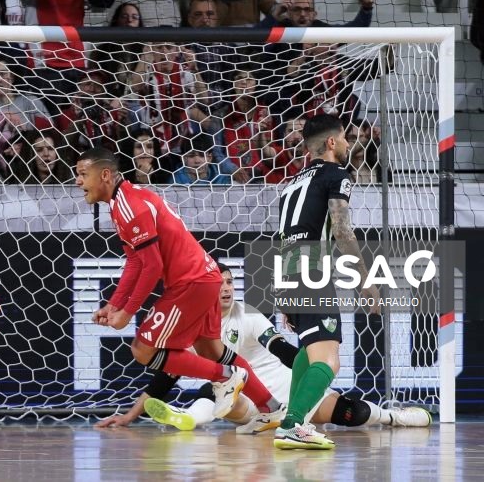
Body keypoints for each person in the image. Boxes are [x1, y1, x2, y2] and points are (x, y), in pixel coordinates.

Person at [76, 147, 283, 425]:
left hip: (191, 282)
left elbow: (152, 267)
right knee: (213, 352)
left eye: (82, 174)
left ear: (104, 175)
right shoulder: (124, 201)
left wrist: (126, 313)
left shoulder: (130, 206)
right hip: (205, 277)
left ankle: (226, 377)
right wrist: (114, 304)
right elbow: (135, 262)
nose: (78, 181)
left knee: (142, 349)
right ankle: (271, 408)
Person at [144, 264, 433, 433]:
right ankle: (188, 418)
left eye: (230, 282)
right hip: (249, 397)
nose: (227, 288)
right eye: (219, 284)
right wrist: (129, 415)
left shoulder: (248, 313)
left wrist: (313, 376)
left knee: (350, 412)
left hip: (284, 386)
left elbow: (283, 350)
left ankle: (393, 417)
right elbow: (167, 375)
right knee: (223, 387)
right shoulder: (193, 325)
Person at [271, 113, 381, 450]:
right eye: (345, 137)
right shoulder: (337, 175)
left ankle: (294, 419)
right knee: (329, 360)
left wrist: (282, 292)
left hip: (288, 268)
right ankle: (292, 425)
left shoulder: (292, 183)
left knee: (308, 351)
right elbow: (342, 230)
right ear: (332, 142)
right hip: (312, 269)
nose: (348, 143)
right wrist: (365, 281)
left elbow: (282, 235)